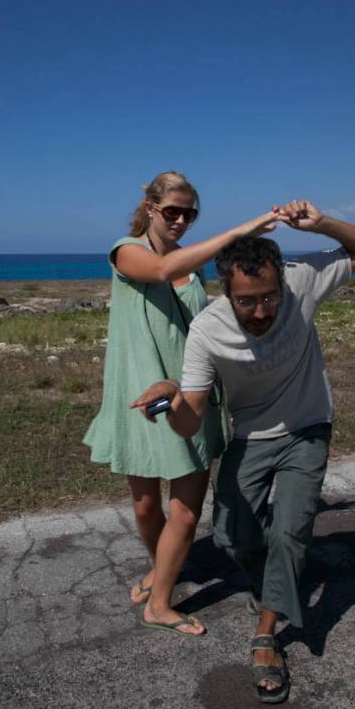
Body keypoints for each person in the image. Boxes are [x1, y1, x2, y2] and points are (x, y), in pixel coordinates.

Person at [131, 199, 355, 696]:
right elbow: (189, 422)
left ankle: (266, 635)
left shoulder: (300, 280)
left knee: (290, 532)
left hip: (308, 426)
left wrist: (323, 223)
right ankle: (271, 582)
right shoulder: (208, 330)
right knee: (231, 537)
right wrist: (172, 396)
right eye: (248, 301)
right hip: (250, 436)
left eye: (269, 297)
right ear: (227, 291)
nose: (262, 311)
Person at [83, 171, 282, 637]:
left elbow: (208, 322)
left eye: (188, 214)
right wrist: (237, 232)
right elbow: (159, 271)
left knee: (186, 511)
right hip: (140, 394)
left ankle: (160, 601)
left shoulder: (194, 268)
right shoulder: (126, 251)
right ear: (150, 207)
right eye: (171, 211)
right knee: (147, 506)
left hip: (189, 395)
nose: (179, 220)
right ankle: (161, 569)